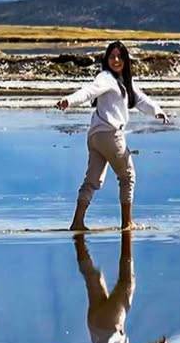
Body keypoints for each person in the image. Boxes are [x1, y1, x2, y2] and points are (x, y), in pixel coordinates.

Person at [56, 39, 167, 232]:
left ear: (125, 60)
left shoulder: (125, 82)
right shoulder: (106, 77)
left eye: (119, 56)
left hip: (95, 137)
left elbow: (141, 100)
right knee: (128, 176)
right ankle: (127, 223)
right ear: (106, 59)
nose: (115, 60)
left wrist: (157, 111)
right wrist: (70, 101)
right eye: (112, 56)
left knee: (92, 181)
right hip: (110, 135)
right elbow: (89, 91)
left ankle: (77, 222)